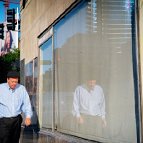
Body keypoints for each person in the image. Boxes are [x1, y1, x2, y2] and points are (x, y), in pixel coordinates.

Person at [0, 70, 33, 143]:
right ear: (7, 80)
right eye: (12, 81)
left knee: (15, 141)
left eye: (16, 81)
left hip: (16, 121)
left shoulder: (21, 89)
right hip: (3, 121)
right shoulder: (1, 88)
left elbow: (26, 104)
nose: (14, 84)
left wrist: (28, 117)